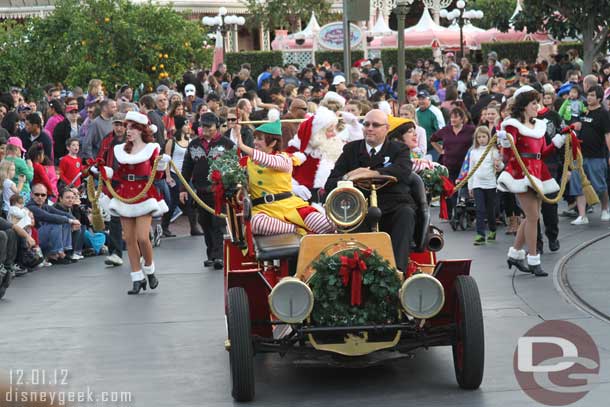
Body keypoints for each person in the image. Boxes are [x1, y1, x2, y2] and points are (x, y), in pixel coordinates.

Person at [326, 109, 415, 272]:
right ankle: (355, 273)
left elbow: (403, 171)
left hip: (394, 206)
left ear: (386, 128)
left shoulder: (399, 149)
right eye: (366, 124)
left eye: (375, 125)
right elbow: (330, 184)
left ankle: (397, 271)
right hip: (359, 210)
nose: (369, 128)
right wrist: (349, 177)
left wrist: (373, 173)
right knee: (348, 221)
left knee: (406, 214)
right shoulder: (351, 150)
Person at [497, 86, 567, 276]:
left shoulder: (539, 125)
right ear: (524, 106)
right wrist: (505, 141)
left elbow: (542, 152)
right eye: (534, 103)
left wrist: (559, 140)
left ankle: (515, 254)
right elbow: (509, 153)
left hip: (538, 170)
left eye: (538, 102)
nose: (538, 106)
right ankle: (533, 259)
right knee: (534, 216)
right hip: (521, 172)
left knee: (530, 217)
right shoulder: (512, 124)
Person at [233, 119, 335, 235]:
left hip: (290, 206)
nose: (255, 142)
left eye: (259, 139)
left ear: (272, 143)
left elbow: (269, 160)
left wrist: (242, 145)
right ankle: (297, 229)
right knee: (255, 223)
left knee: (327, 224)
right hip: (264, 210)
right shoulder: (246, 162)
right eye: (255, 138)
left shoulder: (284, 159)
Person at [107, 111, 169, 294]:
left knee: (143, 237)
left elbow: (157, 176)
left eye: (132, 127)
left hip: (144, 192)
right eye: (127, 127)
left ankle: (149, 269)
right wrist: (104, 172)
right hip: (125, 193)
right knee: (129, 239)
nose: (128, 130)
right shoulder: (120, 149)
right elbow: (117, 174)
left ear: (142, 130)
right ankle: (136, 277)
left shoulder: (152, 148)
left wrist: (161, 165)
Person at [180, 112, 234, 270]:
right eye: (202, 126)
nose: (204, 129)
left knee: (218, 223)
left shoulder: (227, 144)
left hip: (219, 191)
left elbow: (234, 166)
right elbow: (187, 166)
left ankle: (219, 256)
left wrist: (230, 187)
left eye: (208, 126)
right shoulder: (194, 144)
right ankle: (211, 254)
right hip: (200, 191)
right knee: (204, 222)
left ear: (216, 127)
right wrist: (183, 189)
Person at [569, 85, 610, 224]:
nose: (589, 97)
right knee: (578, 185)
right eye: (589, 95)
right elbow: (578, 126)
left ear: (599, 98)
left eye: (592, 95)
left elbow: (608, 136)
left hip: (597, 156)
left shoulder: (604, 114)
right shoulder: (584, 112)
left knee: (600, 185)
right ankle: (582, 215)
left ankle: (605, 209)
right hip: (580, 155)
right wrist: (577, 125)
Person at [97, 113, 127, 267]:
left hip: (130, 183)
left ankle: (141, 249)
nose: (119, 128)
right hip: (112, 183)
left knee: (132, 217)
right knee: (114, 217)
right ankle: (115, 252)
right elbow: (100, 158)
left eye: (122, 124)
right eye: (116, 124)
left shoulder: (132, 140)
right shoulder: (108, 139)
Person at [26, 183, 80, 264]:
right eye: (37, 194)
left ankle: (62, 252)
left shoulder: (45, 206)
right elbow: (48, 216)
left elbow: (61, 213)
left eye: (43, 195)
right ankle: (57, 254)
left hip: (42, 237)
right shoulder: (31, 207)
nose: (40, 197)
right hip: (34, 240)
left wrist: (74, 220)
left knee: (65, 221)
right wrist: (70, 221)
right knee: (57, 223)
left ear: (46, 196)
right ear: (32, 195)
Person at [467, 126, 503, 245]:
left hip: (490, 184)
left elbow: (500, 166)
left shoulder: (493, 151)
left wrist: (498, 165)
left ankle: (492, 230)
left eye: (484, 136)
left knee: (490, 210)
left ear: (488, 137)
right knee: (480, 209)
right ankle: (480, 234)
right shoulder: (473, 152)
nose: (481, 139)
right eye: (479, 137)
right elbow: (471, 169)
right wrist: (470, 186)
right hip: (478, 183)